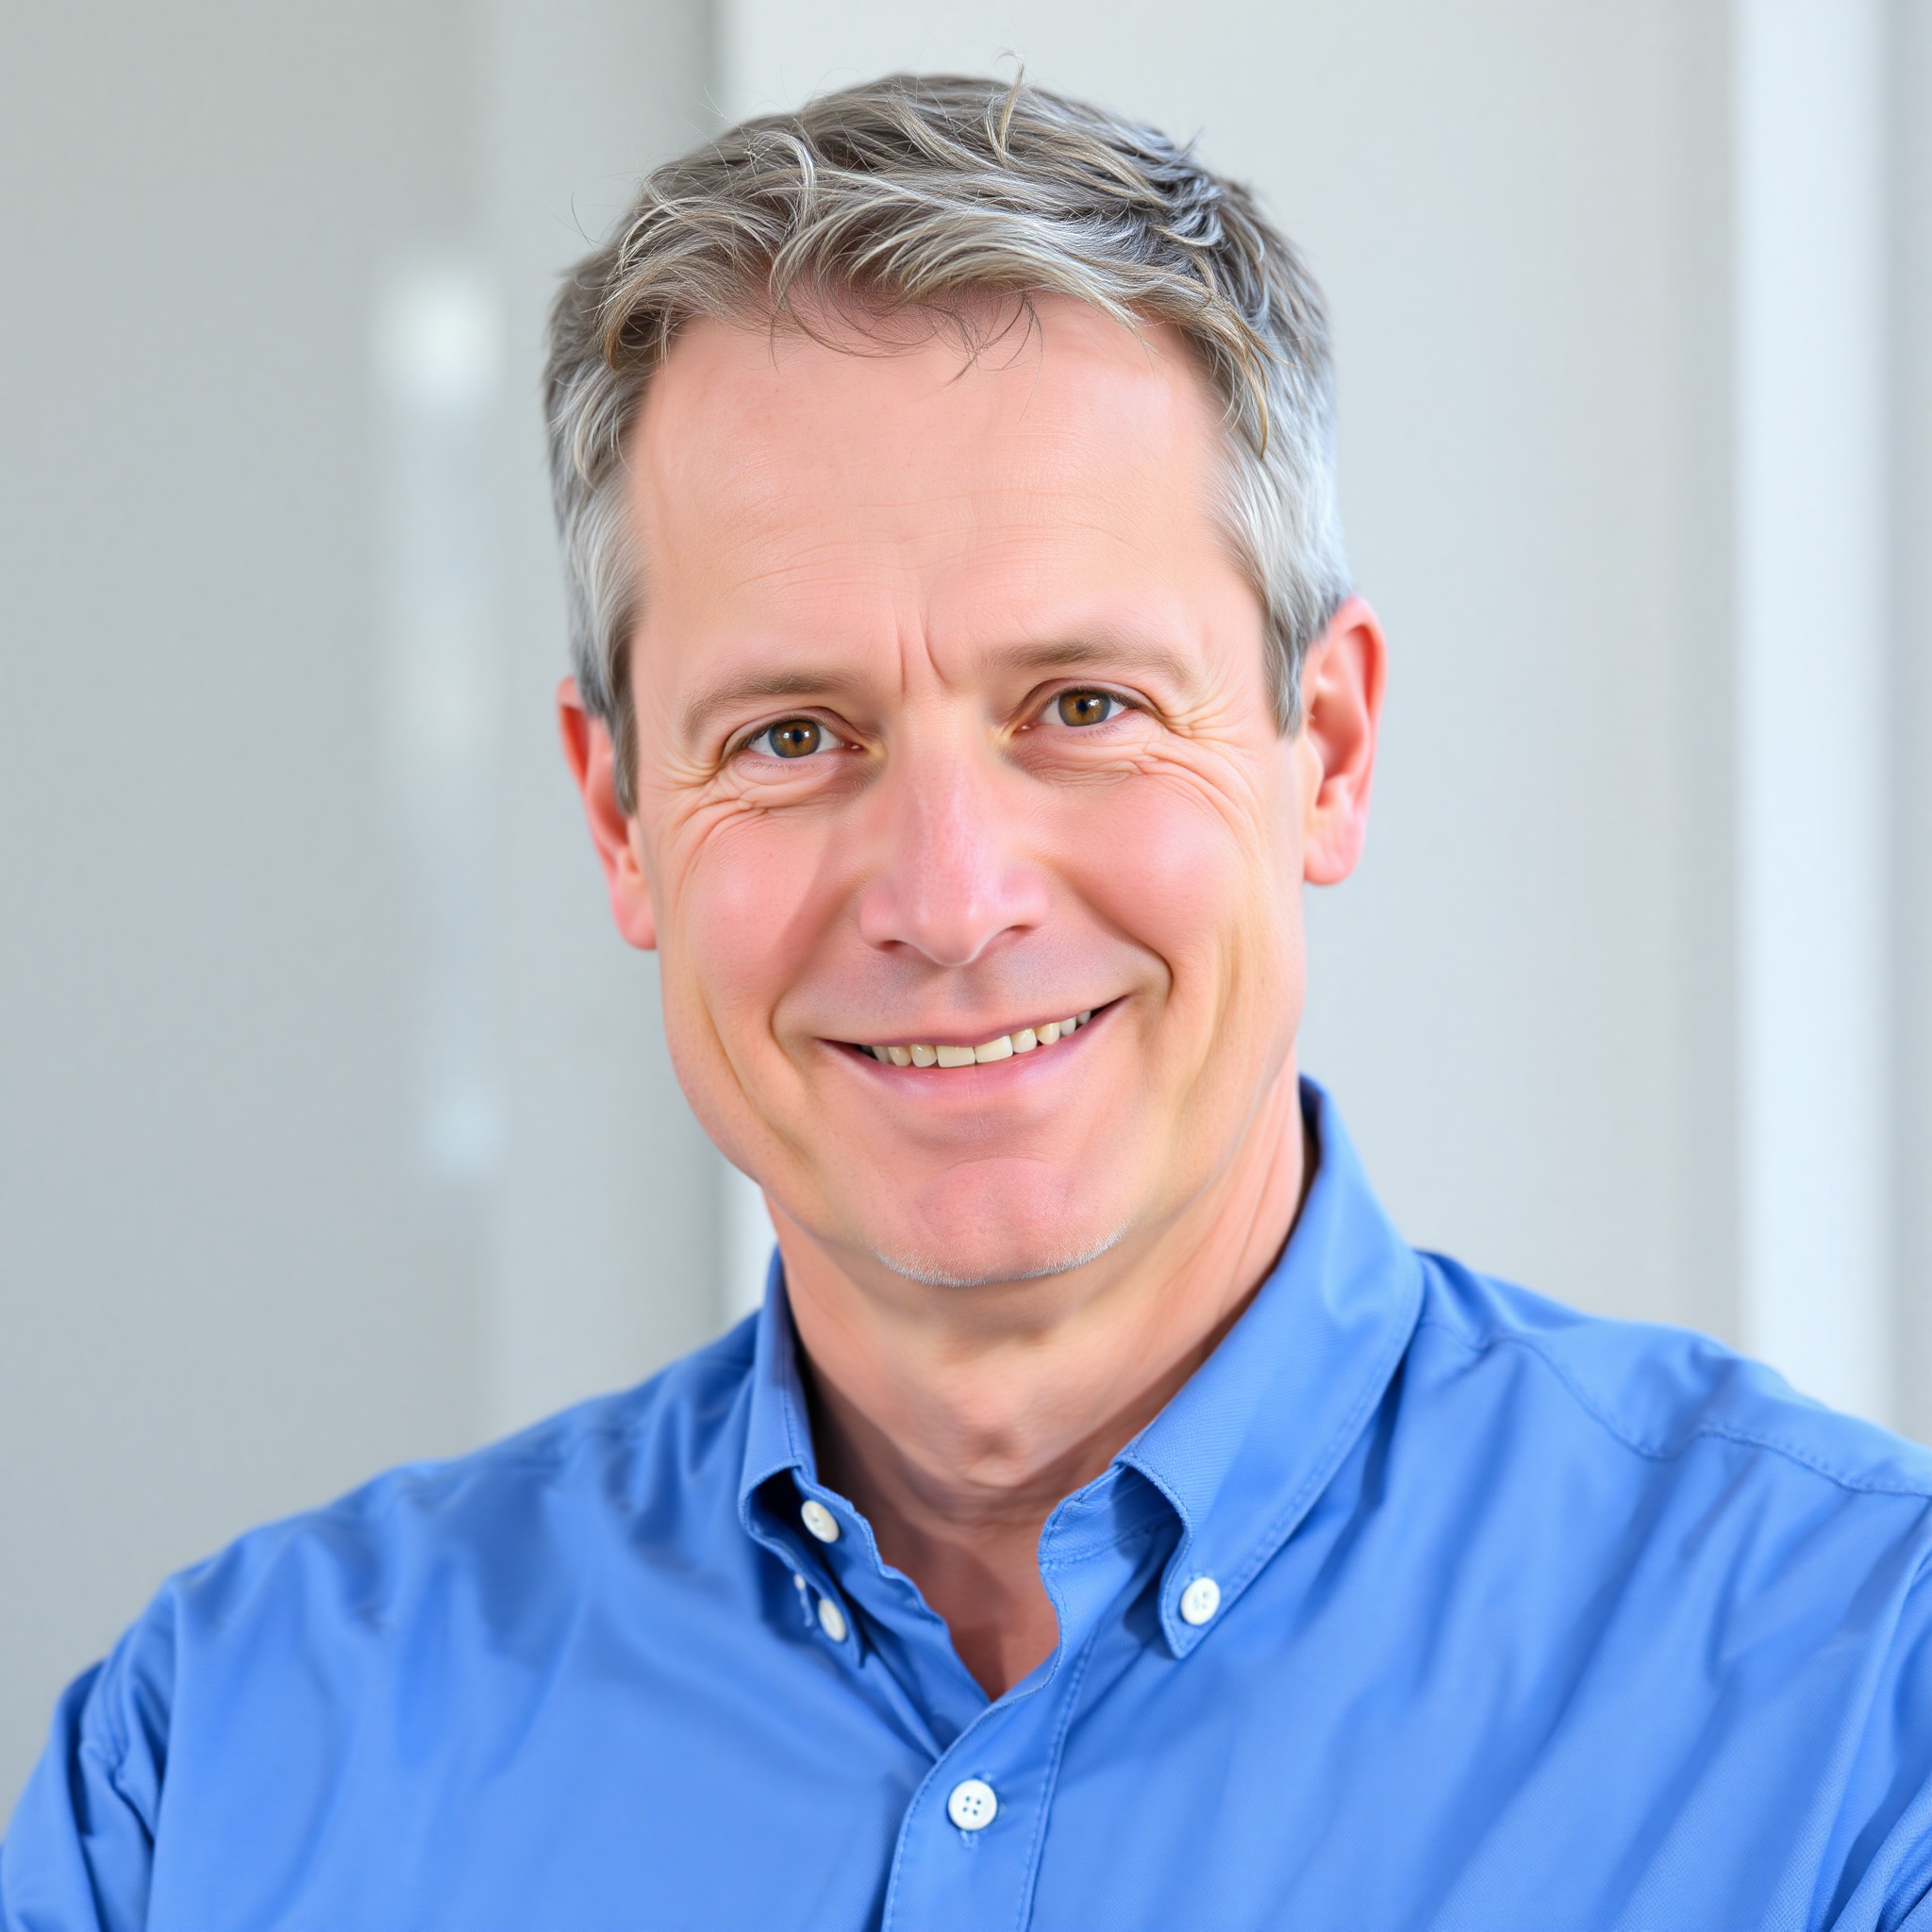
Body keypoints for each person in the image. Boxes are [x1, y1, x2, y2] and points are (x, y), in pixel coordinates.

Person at [6, 71, 1932, 1932]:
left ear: (1323, 747)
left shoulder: (1856, 1698)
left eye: (1082, 705)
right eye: (790, 732)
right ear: (618, 818)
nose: (946, 896)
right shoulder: (220, 1771)